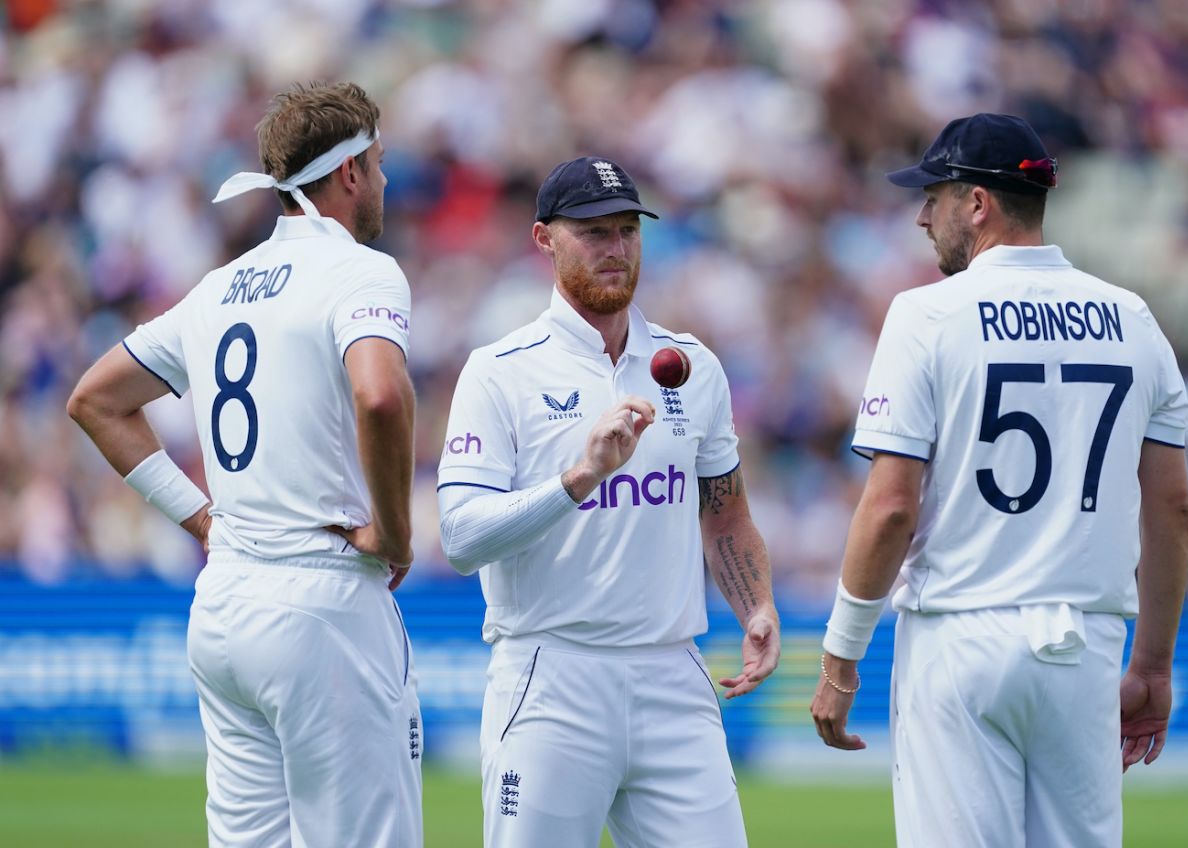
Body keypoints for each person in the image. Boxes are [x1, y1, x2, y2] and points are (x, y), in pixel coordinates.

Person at [809, 114, 1188, 847]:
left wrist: (841, 656)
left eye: (936, 196)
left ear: (978, 204)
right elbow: (1171, 508)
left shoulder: (925, 314)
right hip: (1084, 646)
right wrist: (1152, 663)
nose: (923, 215)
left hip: (962, 635)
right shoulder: (1132, 317)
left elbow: (891, 508)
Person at [67, 82, 421, 847]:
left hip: (224, 602)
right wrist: (395, 533)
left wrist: (200, 518)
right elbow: (382, 396)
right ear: (351, 171)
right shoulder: (361, 271)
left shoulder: (217, 288)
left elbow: (95, 400)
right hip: (321, 600)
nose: (387, 181)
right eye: (381, 163)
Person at [437, 156, 780, 847]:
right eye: (594, 233)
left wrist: (757, 606)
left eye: (627, 231)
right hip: (551, 675)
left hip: (674, 676)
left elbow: (725, 511)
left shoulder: (693, 366)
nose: (616, 249)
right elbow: (461, 538)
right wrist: (580, 477)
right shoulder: (501, 371)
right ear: (544, 239)